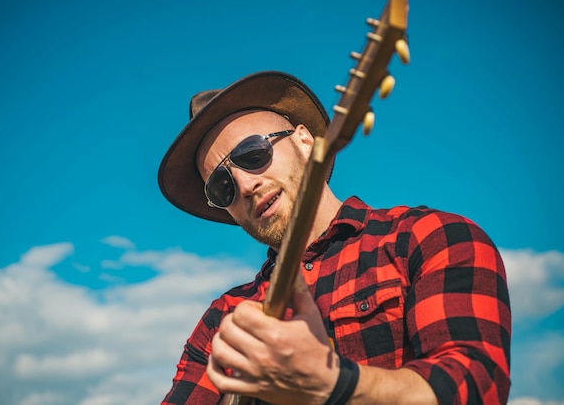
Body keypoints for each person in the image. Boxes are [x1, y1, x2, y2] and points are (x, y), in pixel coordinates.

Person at [158, 71, 511, 404]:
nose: (246, 185)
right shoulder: (223, 319)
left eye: (252, 154)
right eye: (222, 187)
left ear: (305, 141)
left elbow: (476, 386)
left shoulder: (428, 238)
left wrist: (334, 384)